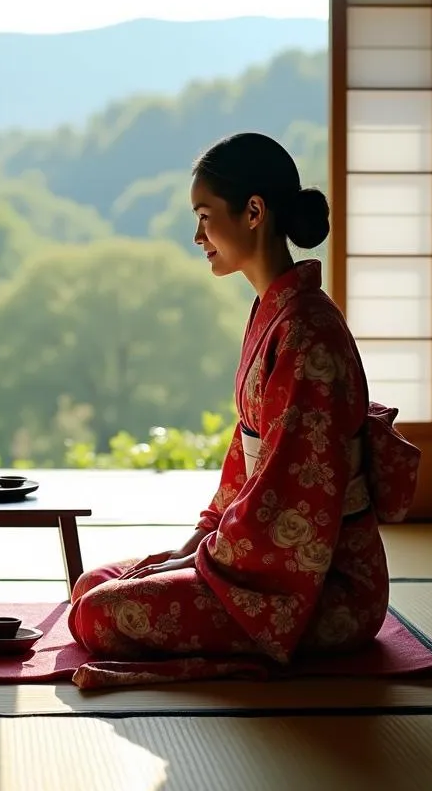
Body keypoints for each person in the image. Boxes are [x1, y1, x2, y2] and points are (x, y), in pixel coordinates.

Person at [69, 132, 398, 670]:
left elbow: (292, 492)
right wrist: (194, 543)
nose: (197, 235)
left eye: (204, 215)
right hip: (261, 560)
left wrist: (206, 559)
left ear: (253, 212)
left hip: (323, 588)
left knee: (97, 615)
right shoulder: (276, 313)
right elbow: (248, 462)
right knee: (93, 584)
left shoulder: (307, 332)